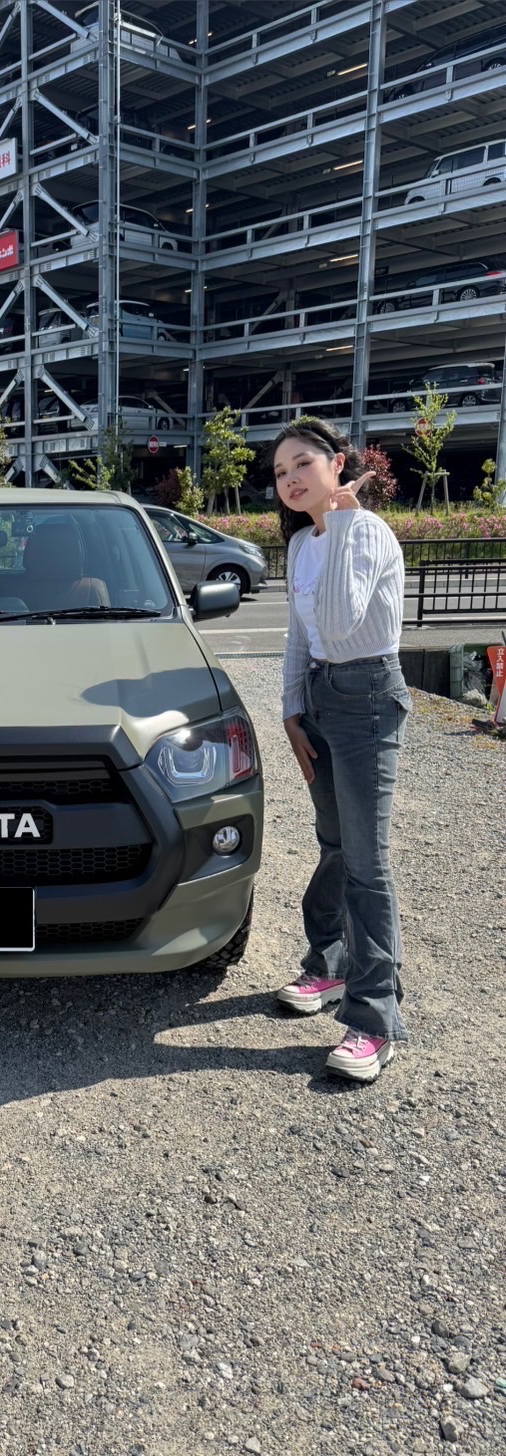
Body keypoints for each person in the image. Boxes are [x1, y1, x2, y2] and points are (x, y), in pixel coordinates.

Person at [271, 416, 409, 1083]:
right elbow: (302, 637)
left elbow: (341, 620)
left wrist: (344, 523)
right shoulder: (302, 544)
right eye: (280, 472)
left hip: (368, 698)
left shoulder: (368, 533)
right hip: (322, 699)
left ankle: (374, 1017)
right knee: (333, 843)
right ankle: (329, 963)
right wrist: (290, 710)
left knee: (366, 863)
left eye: (303, 463)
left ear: (337, 465)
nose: (291, 478)